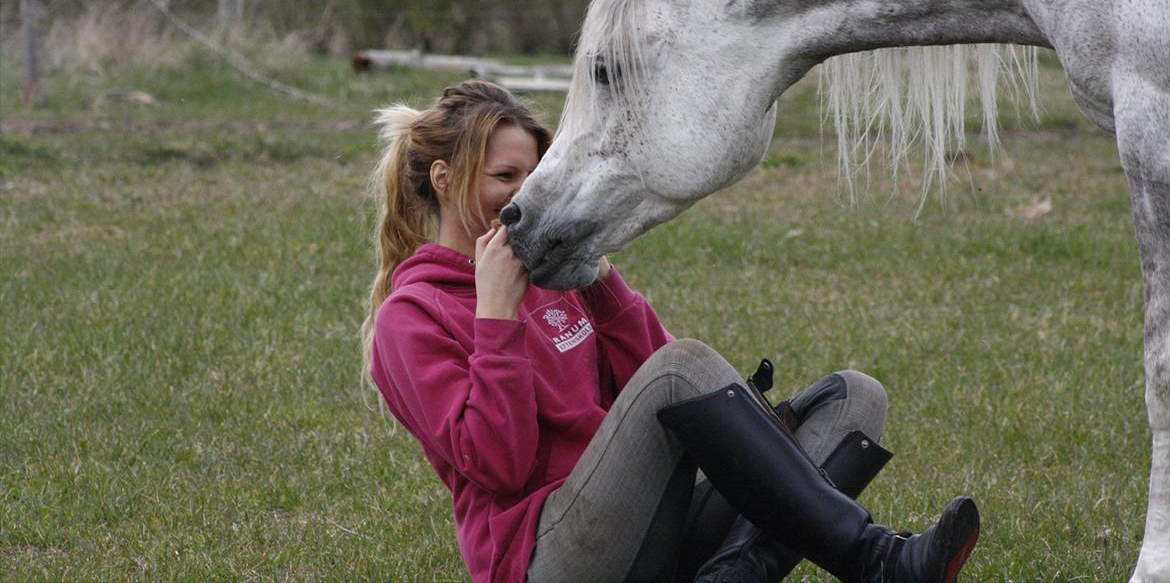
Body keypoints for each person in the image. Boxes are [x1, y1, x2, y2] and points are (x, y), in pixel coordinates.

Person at [360, 80, 980, 583]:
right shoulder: (411, 316)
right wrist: (496, 320)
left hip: (651, 521)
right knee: (682, 367)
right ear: (443, 180)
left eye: (535, 174)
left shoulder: (550, 276)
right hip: (546, 554)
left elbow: (676, 408)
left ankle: (732, 577)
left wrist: (600, 282)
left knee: (856, 397)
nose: (528, 195)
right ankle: (878, 562)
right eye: (505, 177)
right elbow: (500, 465)